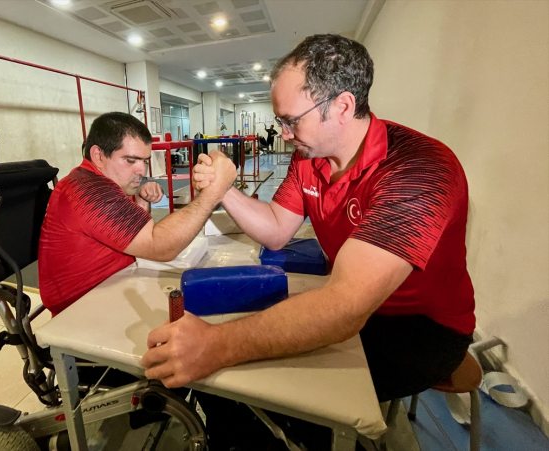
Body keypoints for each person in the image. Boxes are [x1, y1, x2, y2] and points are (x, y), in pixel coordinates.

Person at [141, 34, 475, 446]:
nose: (283, 134)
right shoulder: (308, 158)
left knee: (286, 396)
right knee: (234, 384)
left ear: (343, 106)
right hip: (355, 303)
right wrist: (224, 189)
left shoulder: (417, 169)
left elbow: (346, 306)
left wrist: (216, 344)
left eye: (291, 120)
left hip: (418, 327)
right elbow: (277, 229)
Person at [38, 112, 236, 316]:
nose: (142, 170)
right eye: (131, 160)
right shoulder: (88, 190)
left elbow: (134, 238)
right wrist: (214, 192)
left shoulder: (93, 181)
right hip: (79, 309)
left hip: (112, 286)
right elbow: (158, 246)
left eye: (144, 161)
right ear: (98, 155)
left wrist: (141, 201)